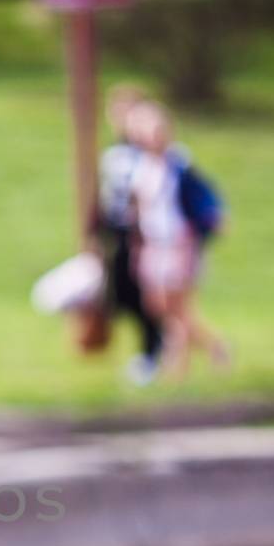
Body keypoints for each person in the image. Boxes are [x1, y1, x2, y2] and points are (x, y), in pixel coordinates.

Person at [125, 100, 228, 381]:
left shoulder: (178, 164)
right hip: (153, 243)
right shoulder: (141, 164)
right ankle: (215, 346)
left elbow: (199, 200)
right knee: (158, 307)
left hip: (179, 242)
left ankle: (177, 370)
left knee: (179, 308)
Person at [84, 85, 166, 385]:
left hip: (146, 236)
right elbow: (108, 195)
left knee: (146, 295)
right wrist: (96, 231)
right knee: (119, 292)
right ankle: (152, 347)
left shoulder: (155, 157)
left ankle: (155, 349)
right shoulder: (115, 153)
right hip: (117, 233)